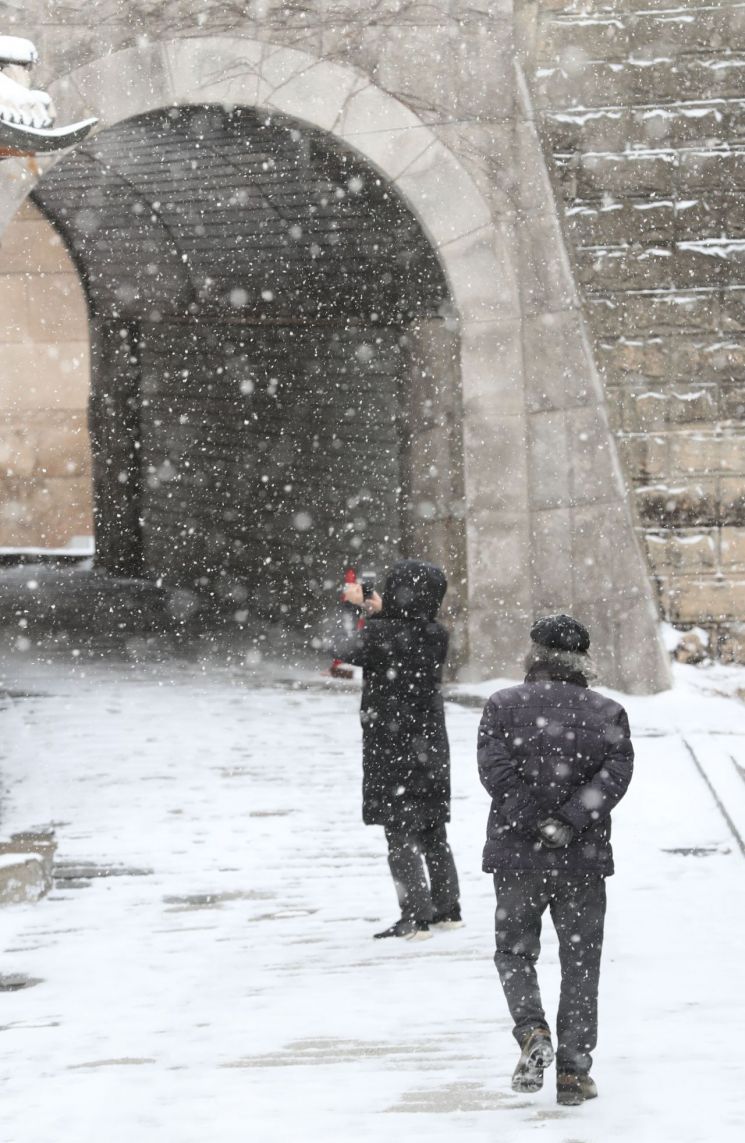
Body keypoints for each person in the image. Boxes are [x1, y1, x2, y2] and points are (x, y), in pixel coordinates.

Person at [477, 614, 633, 1106]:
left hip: (517, 858)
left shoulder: (502, 706)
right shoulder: (608, 712)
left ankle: (532, 1031)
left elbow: (495, 772)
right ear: (583, 659)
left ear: (535, 655)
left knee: (515, 952)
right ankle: (573, 1072)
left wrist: (531, 820)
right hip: (582, 859)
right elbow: (615, 777)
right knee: (580, 963)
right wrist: (568, 820)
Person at [335, 559, 461, 941]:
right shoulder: (436, 634)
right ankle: (447, 910)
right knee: (433, 829)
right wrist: (382, 611)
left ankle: (415, 917)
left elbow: (341, 648)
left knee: (400, 831)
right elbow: (405, 630)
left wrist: (353, 608)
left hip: (391, 746)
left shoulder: (381, 634)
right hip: (430, 745)